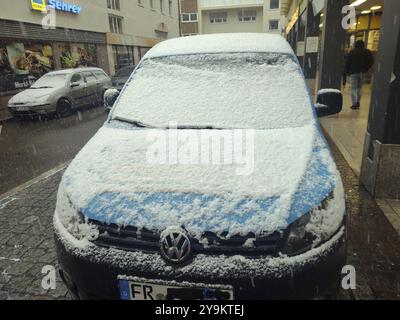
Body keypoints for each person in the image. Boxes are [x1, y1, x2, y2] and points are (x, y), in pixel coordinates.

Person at [345, 40, 374, 110]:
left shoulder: (352, 52)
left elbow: (348, 62)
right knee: (359, 88)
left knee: (353, 89)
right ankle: (358, 102)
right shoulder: (367, 52)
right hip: (362, 72)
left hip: (353, 72)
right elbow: (371, 61)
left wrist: (347, 71)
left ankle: (354, 103)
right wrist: (366, 69)